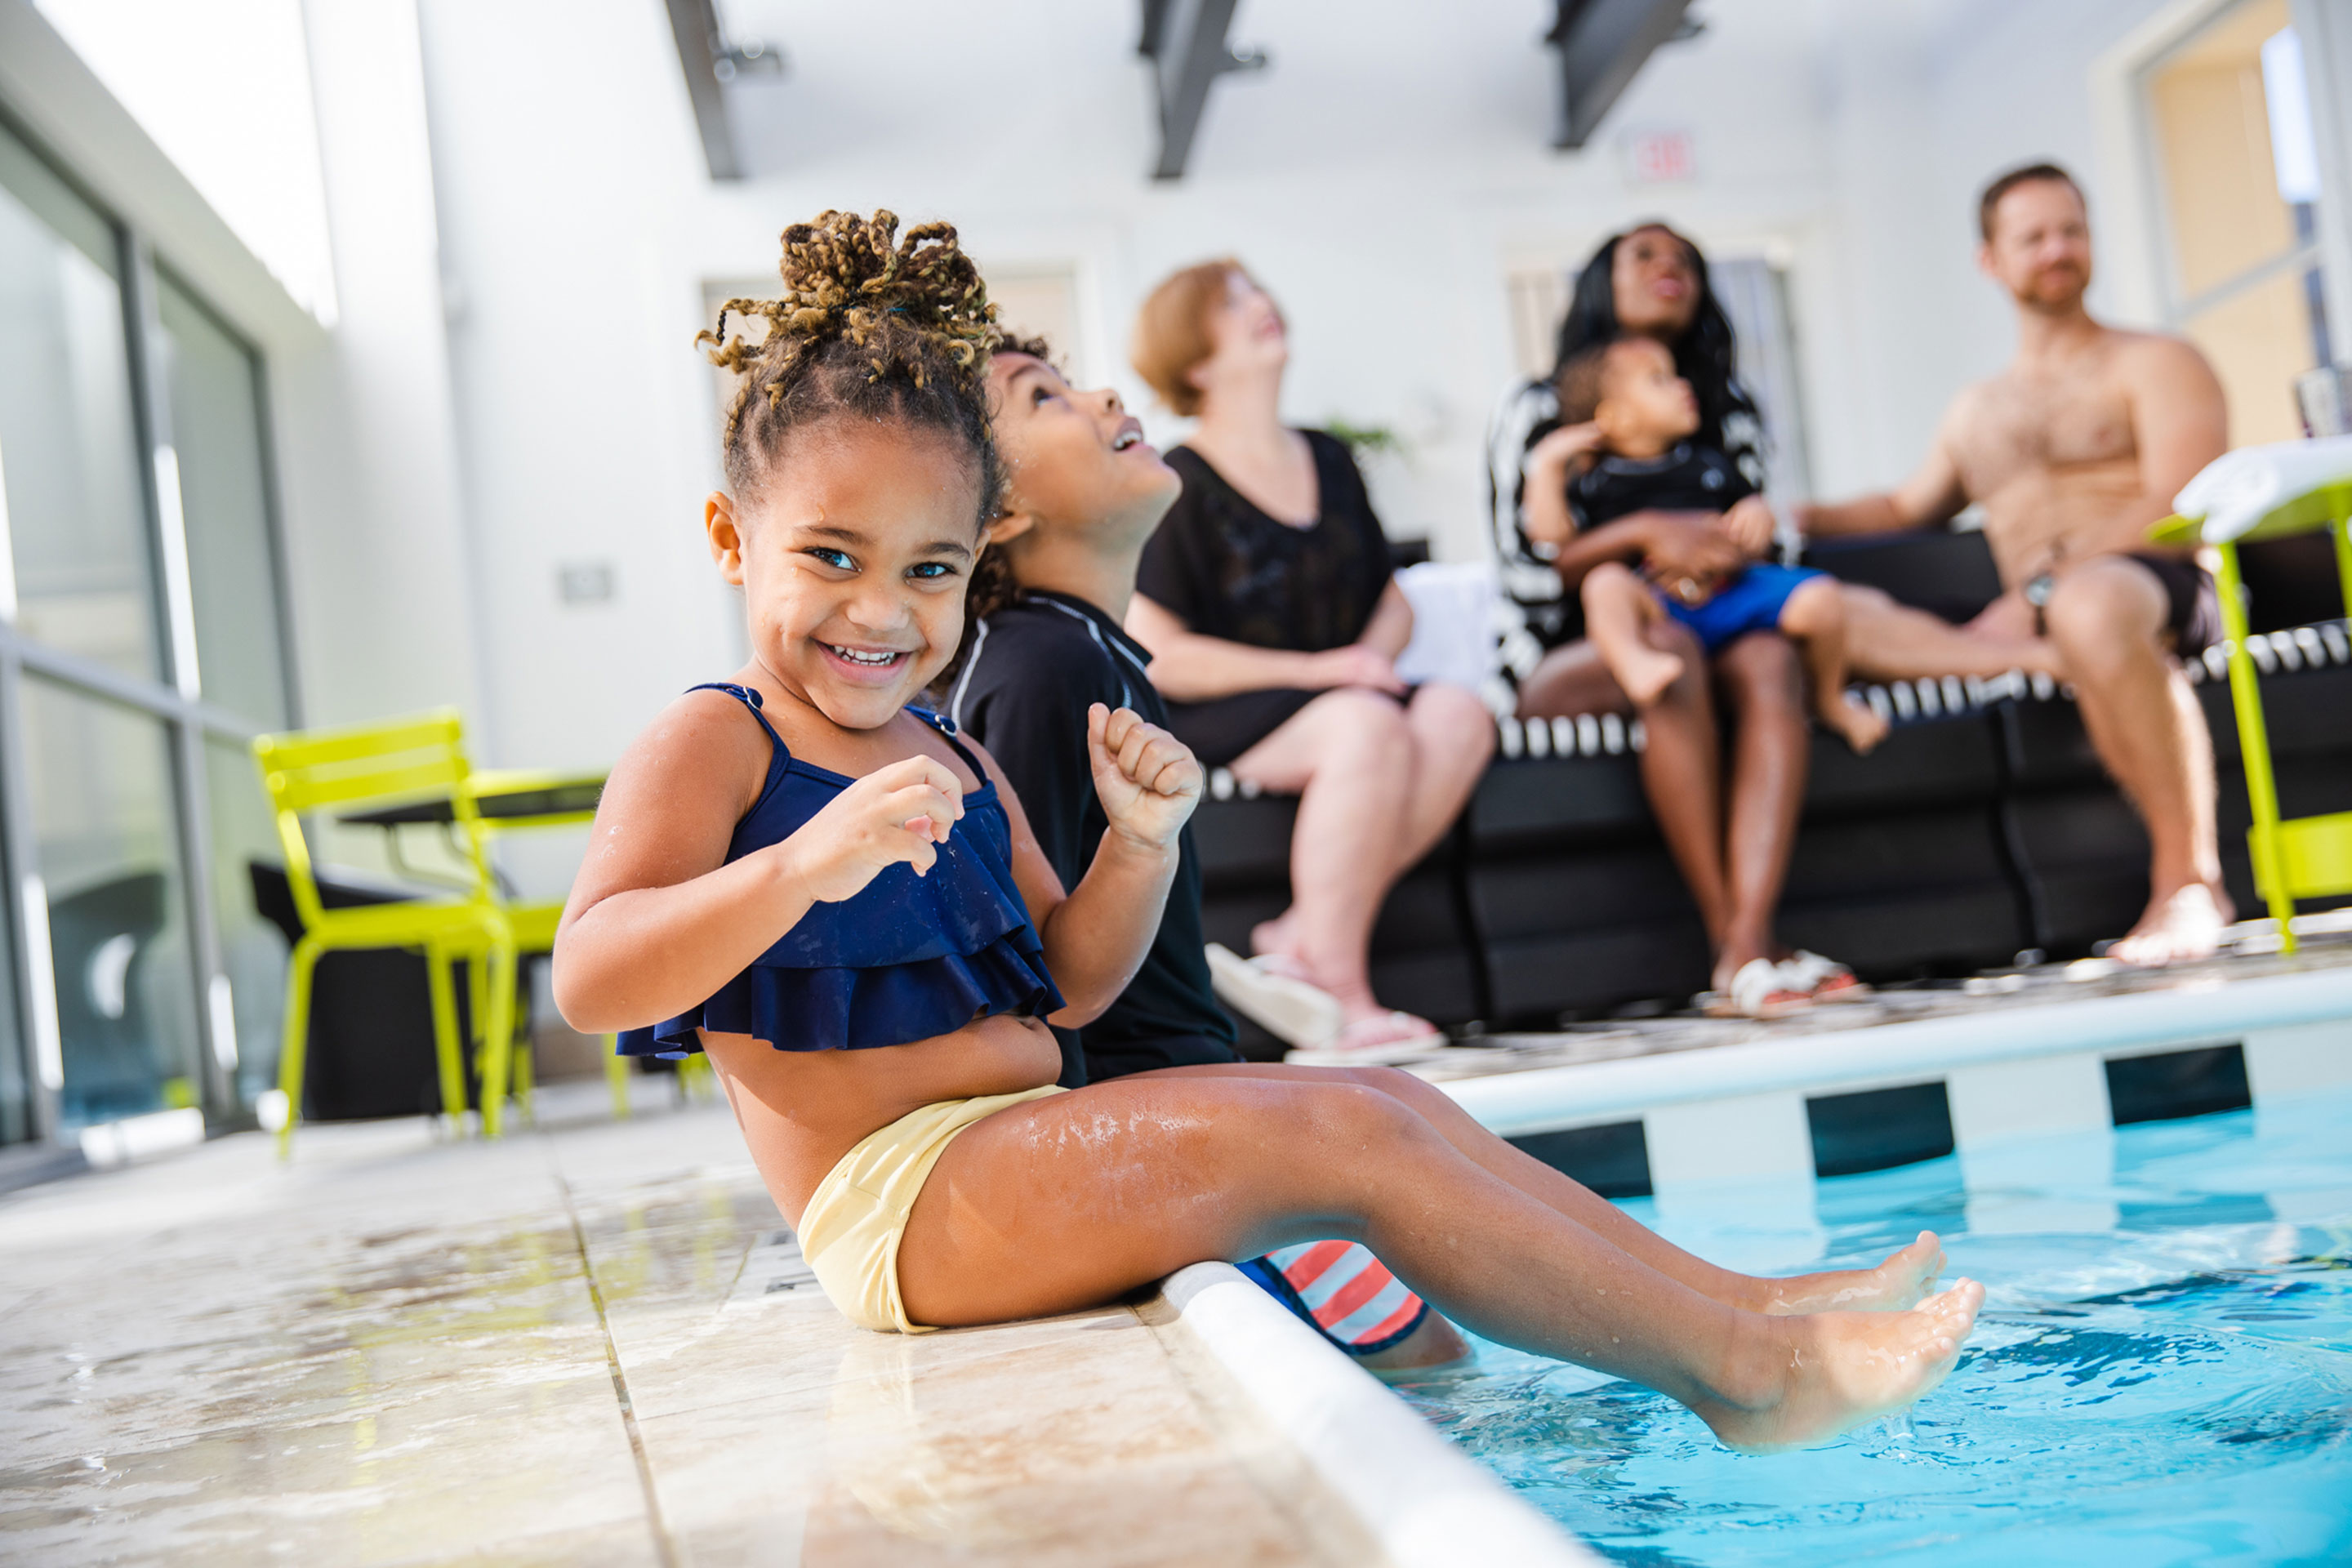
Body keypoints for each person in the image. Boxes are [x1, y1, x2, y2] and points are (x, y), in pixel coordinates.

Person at [554, 209, 1983, 1454]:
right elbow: (597, 972)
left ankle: (1744, 1306)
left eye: (931, 570)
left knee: (1394, 1108)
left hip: (1019, 1137)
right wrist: (801, 867)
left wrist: (1140, 842)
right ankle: (1744, 1378)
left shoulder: (954, 755)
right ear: (733, 541)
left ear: (975, 554)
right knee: (1347, 1141)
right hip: (904, 1205)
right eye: (829, 557)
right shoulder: (720, 737)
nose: (882, 611)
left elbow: (1070, 984)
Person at [945, 333, 1469, 1372]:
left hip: (1189, 1100)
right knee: (1429, 1358)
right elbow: (1030, 970)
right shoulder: (1047, 667)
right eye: (1044, 399)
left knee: (1403, 1130)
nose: (1099, 395)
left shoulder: (1082, 650)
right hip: (1168, 1131)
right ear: (1001, 516)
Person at [1799, 163, 2232, 965]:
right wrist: (1796, 516)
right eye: (2033, 237)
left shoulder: (2155, 360)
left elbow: (2182, 496)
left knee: (2087, 608)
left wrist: (2039, 594)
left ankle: (2190, 885)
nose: (2057, 249)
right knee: (1827, 611)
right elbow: (1902, 510)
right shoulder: (1977, 409)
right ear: (1990, 260)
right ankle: (2046, 651)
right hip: (2043, 617)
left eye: (2071, 229)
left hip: (2150, 583)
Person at [1125, 259, 1495, 1060]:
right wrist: (1326, 673)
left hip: (1341, 691)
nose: (1262, 302)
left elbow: (1391, 597)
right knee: (1365, 726)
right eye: (1231, 303)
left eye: (1256, 289)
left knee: (1460, 712)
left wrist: (1365, 656)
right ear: (1194, 361)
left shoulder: (1329, 457)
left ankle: (1302, 932)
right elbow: (1164, 658)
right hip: (1230, 704)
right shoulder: (1175, 481)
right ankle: (1343, 989)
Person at [1488, 224, 1851, 1018]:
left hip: (1716, 617)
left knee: (1770, 661)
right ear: (1598, 283)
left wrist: (1715, 555)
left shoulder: (1725, 406)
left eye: (1684, 259)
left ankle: (1747, 943)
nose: (1668, 269)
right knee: (1671, 650)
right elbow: (1527, 570)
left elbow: (1772, 539)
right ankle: (1743, 947)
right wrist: (1644, 541)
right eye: (1644, 256)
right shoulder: (1539, 409)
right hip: (1583, 649)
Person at [1547, 336, 1890, 755]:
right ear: (1616, 420)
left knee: (1823, 598)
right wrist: (1546, 464)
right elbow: (1555, 539)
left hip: (1731, 592)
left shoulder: (1708, 464)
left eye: (1675, 374)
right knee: (1605, 584)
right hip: (1658, 604)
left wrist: (1756, 514)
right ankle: (1634, 663)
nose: (1682, 386)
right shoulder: (1596, 482)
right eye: (1659, 380)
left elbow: (1746, 505)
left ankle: (1829, 698)